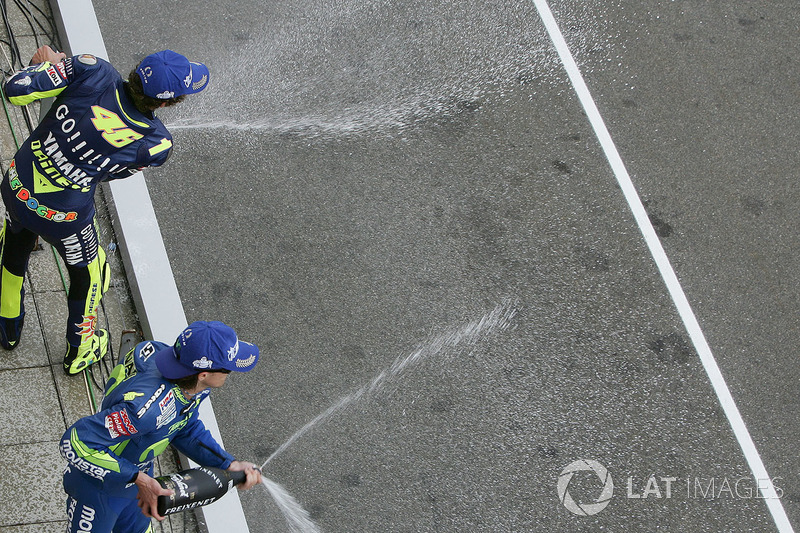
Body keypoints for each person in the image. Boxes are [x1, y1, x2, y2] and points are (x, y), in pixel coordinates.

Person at [0, 45, 210, 375]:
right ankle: (80, 350)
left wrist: (46, 67)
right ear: (167, 102)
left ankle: (7, 325)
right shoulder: (156, 143)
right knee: (90, 274)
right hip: (64, 219)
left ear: (137, 69)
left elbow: (15, 90)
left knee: (15, 238)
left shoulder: (90, 68)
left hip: (16, 186)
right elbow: (110, 173)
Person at [60, 320, 263, 533]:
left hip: (136, 481)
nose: (228, 375)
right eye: (227, 370)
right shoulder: (146, 410)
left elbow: (184, 427)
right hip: (99, 489)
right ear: (204, 374)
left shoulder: (178, 367)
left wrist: (228, 464)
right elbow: (74, 442)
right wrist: (142, 480)